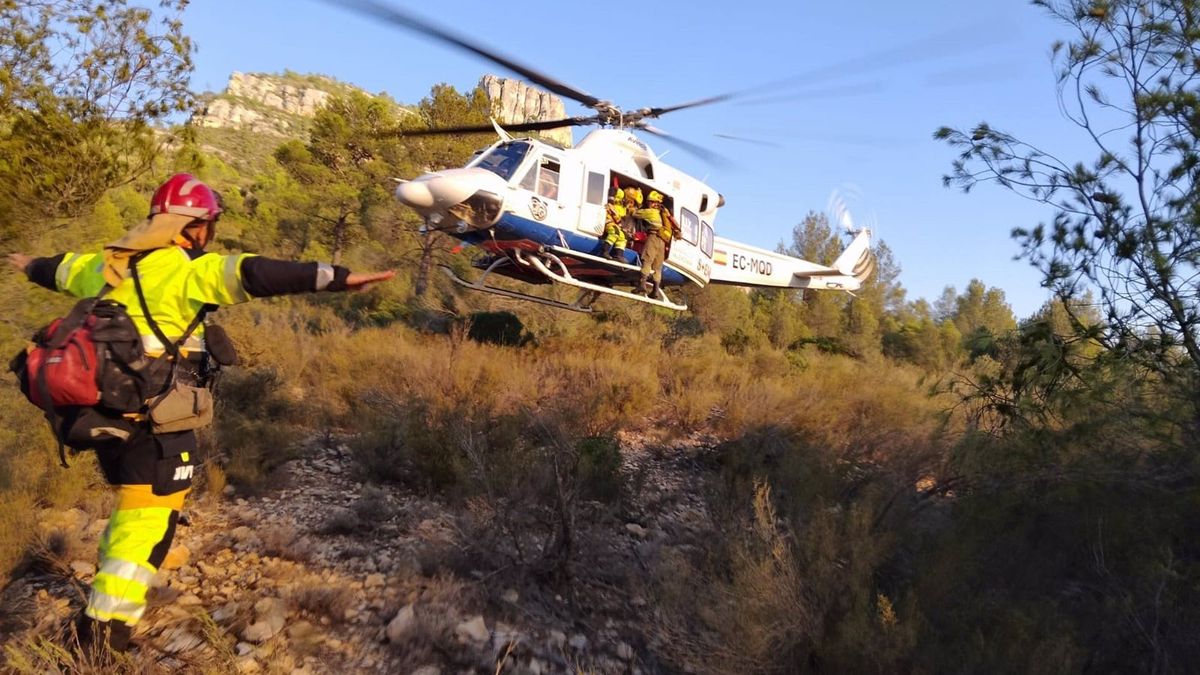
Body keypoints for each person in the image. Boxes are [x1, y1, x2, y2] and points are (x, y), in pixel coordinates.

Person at [6, 173, 395, 653]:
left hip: (103, 414)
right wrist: (339, 278)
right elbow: (255, 274)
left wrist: (27, 265)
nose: (210, 235)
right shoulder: (189, 270)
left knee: (132, 510)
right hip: (153, 421)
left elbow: (59, 269)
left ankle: (106, 606)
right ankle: (102, 635)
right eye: (208, 225)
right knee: (148, 523)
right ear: (193, 228)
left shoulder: (108, 265)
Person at [632, 190, 680, 298]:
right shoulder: (664, 214)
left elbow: (635, 214)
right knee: (658, 267)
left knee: (647, 260)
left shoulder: (652, 212)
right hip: (663, 242)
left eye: (650, 201)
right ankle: (655, 291)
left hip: (653, 237)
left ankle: (642, 285)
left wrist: (634, 205)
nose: (649, 203)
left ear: (654, 202)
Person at [598, 188, 627, 260]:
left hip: (614, 224)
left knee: (623, 237)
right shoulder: (610, 205)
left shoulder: (619, 208)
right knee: (615, 232)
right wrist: (620, 224)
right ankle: (604, 251)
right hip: (607, 222)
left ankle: (618, 255)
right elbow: (616, 216)